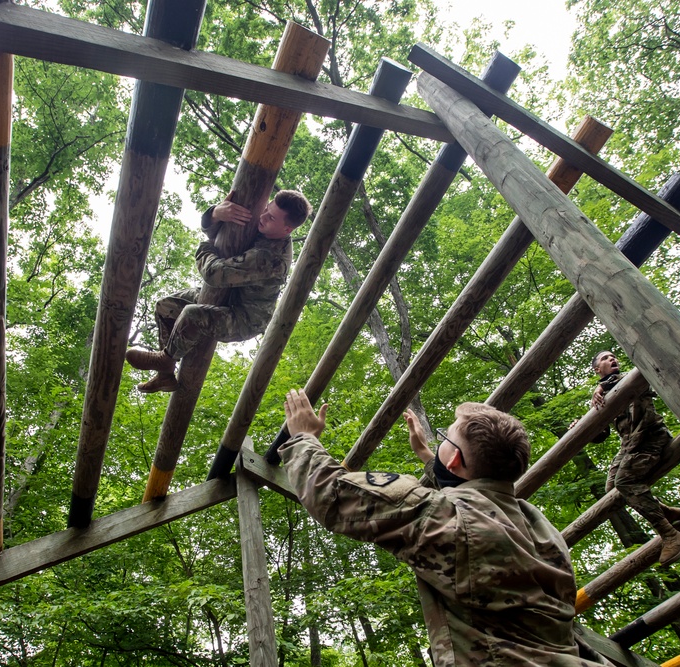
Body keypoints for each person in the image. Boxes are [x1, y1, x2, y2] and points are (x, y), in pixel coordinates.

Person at [280, 389, 605, 666]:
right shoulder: (533, 522)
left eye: (446, 438)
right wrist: (425, 455)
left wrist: (303, 437)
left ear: (454, 461)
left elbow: (330, 493)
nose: (440, 443)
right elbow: (471, 506)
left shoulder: (455, 520)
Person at [125, 190, 311, 393]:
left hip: (244, 319)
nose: (263, 216)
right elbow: (222, 233)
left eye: (271, 217)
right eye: (267, 208)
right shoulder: (265, 226)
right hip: (228, 296)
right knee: (165, 306)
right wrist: (215, 214)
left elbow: (214, 273)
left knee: (192, 314)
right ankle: (165, 376)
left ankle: (166, 359)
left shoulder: (270, 259)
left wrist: (206, 246)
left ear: (287, 229)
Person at [581, 350, 680, 565]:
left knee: (625, 481)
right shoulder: (602, 396)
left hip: (649, 436)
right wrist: (579, 426)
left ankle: (670, 535)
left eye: (613, 356)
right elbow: (601, 434)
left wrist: (600, 386)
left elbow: (627, 381)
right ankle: (664, 510)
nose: (612, 359)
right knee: (612, 488)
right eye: (605, 358)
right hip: (630, 445)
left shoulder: (627, 379)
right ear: (596, 369)